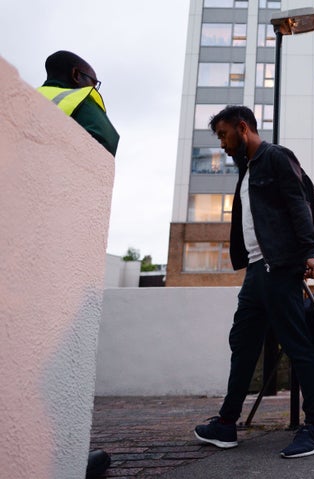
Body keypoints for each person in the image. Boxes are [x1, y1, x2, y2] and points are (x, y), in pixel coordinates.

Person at [193, 106, 314, 458]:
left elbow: (298, 204)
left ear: (243, 128)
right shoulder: (248, 169)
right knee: (243, 344)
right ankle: (227, 424)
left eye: (225, 135)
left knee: (296, 343)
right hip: (257, 271)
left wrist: (311, 252)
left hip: (281, 266)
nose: (223, 145)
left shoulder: (275, 158)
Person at [36, 50, 119, 479]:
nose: (95, 86)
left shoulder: (29, 99)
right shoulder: (80, 99)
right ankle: (62, 460)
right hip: (55, 231)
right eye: (93, 79)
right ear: (77, 75)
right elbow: (108, 145)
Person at [37, 50, 119, 156]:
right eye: (93, 83)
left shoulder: (27, 95)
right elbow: (107, 142)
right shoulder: (81, 99)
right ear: (76, 75)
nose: (94, 89)